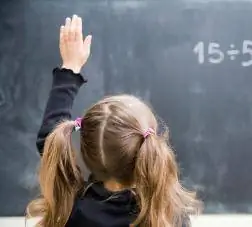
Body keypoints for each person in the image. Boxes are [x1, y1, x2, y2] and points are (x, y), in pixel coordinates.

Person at [26, 15, 202, 227]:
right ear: (149, 145)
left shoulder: (70, 206)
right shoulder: (167, 215)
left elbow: (50, 138)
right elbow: (51, 140)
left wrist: (70, 69)